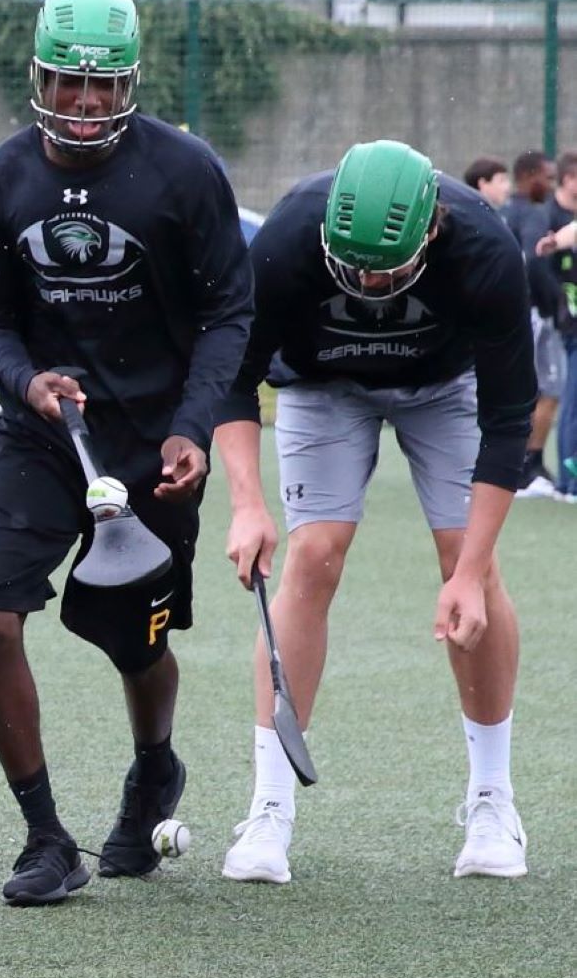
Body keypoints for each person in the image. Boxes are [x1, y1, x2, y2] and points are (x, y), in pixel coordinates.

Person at [0, 0, 254, 905]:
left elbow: (229, 312)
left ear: (130, 83)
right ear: (37, 76)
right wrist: (25, 382)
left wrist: (192, 428)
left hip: (153, 441)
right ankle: (45, 835)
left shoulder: (186, 172)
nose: (85, 100)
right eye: (68, 81)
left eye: (103, 84)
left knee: (135, 641)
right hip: (39, 431)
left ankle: (155, 765)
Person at [218, 141, 533, 881]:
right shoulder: (289, 237)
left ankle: (493, 798)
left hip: (445, 386)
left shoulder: (486, 247)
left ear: (433, 229)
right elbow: (232, 380)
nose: (365, 282)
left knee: (467, 564)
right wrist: (246, 503)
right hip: (321, 385)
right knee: (313, 556)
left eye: (384, 270)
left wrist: (471, 571)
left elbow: (509, 421)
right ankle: (269, 808)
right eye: (352, 265)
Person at [493, 152, 562, 498]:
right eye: (547, 178)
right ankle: (528, 465)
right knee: (548, 388)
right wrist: (555, 302)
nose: (550, 186)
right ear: (529, 176)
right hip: (533, 311)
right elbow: (534, 260)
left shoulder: (503, 212)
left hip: (506, 309)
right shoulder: (533, 212)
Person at [528, 154, 577, 493]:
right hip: (567, 320)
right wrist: (555, 242)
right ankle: (570, 481)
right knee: (567, 397)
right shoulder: (546, 214)